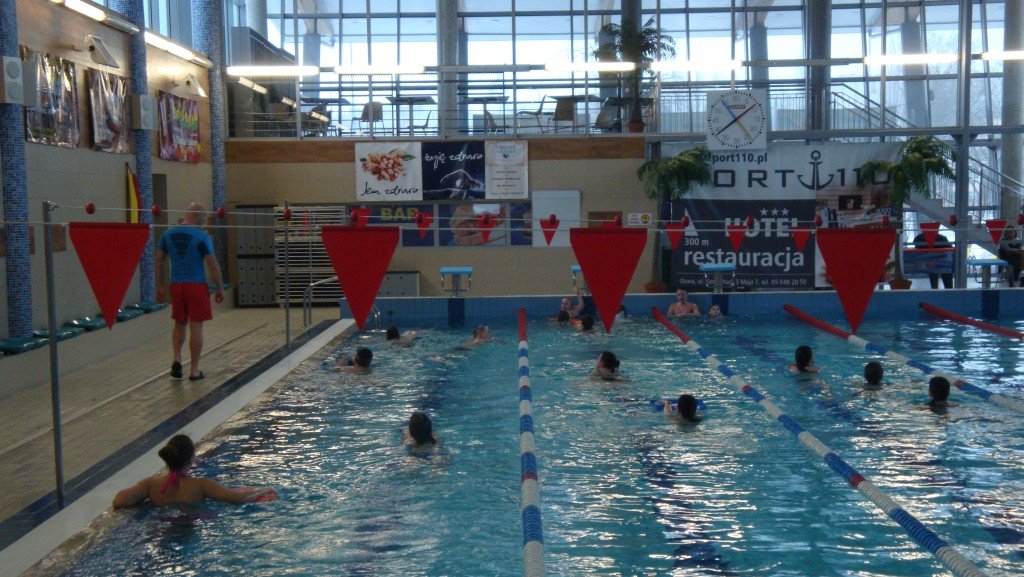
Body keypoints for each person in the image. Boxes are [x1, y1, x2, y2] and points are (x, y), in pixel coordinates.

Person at [156, 202, 224, 381]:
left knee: (179, 323)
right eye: (203, 216)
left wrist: (160, 285)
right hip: (196, 285)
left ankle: (176, 358)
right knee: (196, 326)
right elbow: (213, 266)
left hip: (176, 285)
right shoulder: (202, 236)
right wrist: (219, 288)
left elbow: (158, 261)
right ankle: (194, 370)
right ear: (196, 216)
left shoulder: (168, 234)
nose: (205, 220)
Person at [113, 435, 274, 509]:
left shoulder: (151, 484)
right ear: (190, 459)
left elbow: (119, 501)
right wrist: (263, 489)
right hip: (191, 530)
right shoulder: (202, 485)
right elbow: (237, 498)